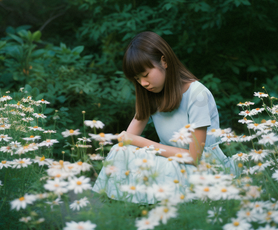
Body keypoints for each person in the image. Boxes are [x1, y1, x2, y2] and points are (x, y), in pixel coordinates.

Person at [92, 31, 235, 203]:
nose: (143, 83)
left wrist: (140, 142)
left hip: (202, 168)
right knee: (119, 151)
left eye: (145, 75)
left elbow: (193, 157)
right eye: (137, 79)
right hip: (171, 162)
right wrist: (131, 141)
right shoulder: (149, 94)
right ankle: (119, 208)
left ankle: (137, 208)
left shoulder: (197, 94)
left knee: (136, 152)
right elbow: (126, 142)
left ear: (164, 61)